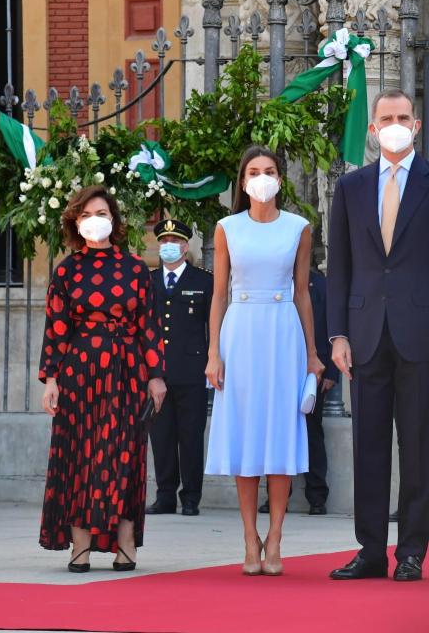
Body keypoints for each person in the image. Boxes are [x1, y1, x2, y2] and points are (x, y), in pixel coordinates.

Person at [327, 89, 429, 582]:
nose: (394, 124)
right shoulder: (350, 188)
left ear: (417, 125)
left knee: (416, 446)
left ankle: (411, 550)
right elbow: (339, 267)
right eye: (385, 117)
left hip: (423, 336)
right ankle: (370, 550)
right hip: (365, 336)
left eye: (402, 117)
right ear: (372, 128)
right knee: (368, 447)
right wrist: (337, 335)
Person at [204, 146, 325, 577]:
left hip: (282, 333)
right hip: (240, 333)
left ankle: (275, 535)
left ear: (280, 178)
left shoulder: (298, 227)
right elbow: (218, 295)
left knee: (278, 434)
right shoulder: (226, 228)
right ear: (242, 181)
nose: (262, 177)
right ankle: (248, 536)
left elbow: (303, 292)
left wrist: (312, 355)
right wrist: (214, 353)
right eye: (254, 171)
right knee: (246, 436)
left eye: (269, 171)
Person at [39, 185, 167, 573]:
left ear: (114, 220)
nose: (96, 221)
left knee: (123, 454)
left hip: (128, 371)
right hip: (80, 371)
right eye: (88, 215)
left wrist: (156, 376)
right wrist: (50, 380)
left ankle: (125, 543)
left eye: (103, 214)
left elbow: (150, 326)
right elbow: (56, 328)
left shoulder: (133, 269)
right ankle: (81, 545)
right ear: (76, 223)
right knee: (80, 454)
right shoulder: (67, 270)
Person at [257, 266, 339, 516]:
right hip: (277, 368)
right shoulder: (271, 279)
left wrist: (330, 373)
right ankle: (276, 496)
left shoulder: (320, 284)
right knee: (276, 433)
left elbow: (330, 325)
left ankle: (317, 496)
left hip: (311, 371)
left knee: (312, 432)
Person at [146, 219, 213, 517]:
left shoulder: (203, 281)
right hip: (157, 372)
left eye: (174, 240)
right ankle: (164, 495)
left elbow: (215, 324)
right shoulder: (148, 281)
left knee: (191, 436)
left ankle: (191, 497)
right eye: (163, 241)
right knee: (161, 437)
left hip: (192, 370)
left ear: (185, 246)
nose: (168, 246)